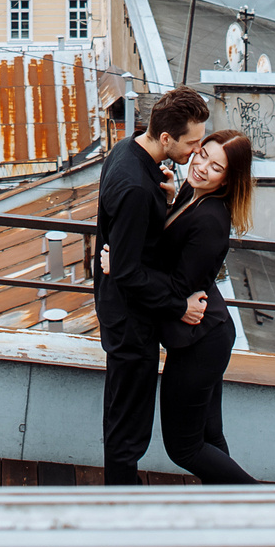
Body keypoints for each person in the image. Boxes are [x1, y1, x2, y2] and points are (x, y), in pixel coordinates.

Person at [95, 87, 208, 484]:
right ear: (166, 138)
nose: (196, 151)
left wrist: (169, 199)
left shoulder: (127, 151)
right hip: (130, 322)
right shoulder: (136, 189)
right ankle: (121, 516)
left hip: (122, 312)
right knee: (129, 427)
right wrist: (180, 306)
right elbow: (126, 272)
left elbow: (128, 253)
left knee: (124, 418)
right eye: (192, 142)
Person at [151, 129, 263, 484]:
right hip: (209, 334)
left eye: (216, 167)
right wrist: (168, 202)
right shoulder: (192, 193)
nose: (201, 167)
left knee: (184, 448)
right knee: (210, 437)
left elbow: (179, 288)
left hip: (200, 343)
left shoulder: (212, 220)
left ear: (228, 180)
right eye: (202, 155)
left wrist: (122, 264)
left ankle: (265, 503)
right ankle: (231, 510)